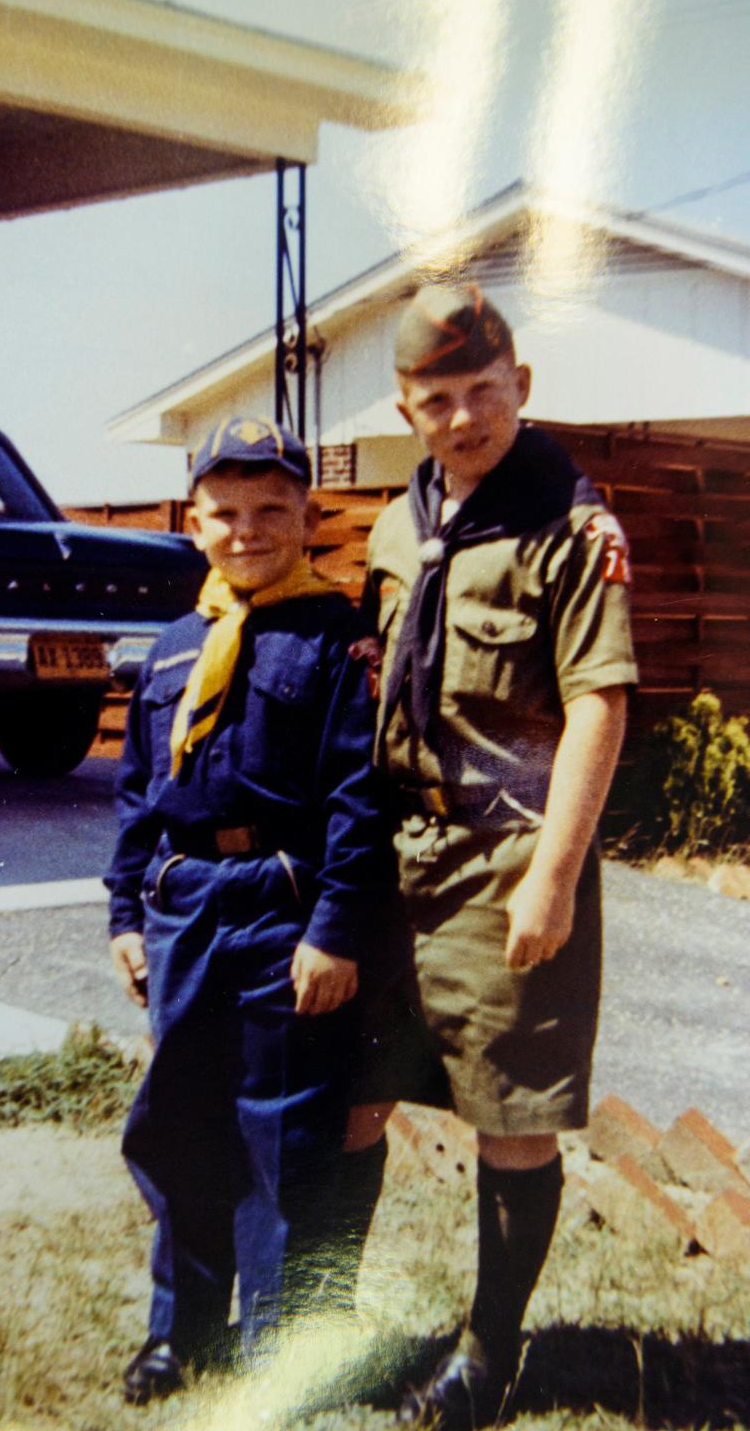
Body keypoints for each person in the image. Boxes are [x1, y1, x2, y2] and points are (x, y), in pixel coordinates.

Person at [364, 285, 638, 1427]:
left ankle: (490, 1352)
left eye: (486, 390)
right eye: (440, 398)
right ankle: (319, 1322)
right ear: (407, 407)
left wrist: (556, 875)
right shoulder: (395, 521)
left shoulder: (571, 528)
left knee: (510, 1117)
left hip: (504, 859)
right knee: (356, 1091)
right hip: (396, 857)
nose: (467, 415)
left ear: (522, 386)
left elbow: (599, 707)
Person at [107, 415, 406, 1405]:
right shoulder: (170, 648)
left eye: (271, 510)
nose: (248, 531)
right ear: (192, 521)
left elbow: (360, 798)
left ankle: (274, 1346)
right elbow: (137, 797)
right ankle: (178, 1330)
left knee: (283, 1132)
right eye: (225, 513)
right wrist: (123, 913)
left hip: (283, 905)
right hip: (186, 906)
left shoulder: (333, 638)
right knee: (182, 1121)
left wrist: (333, 931)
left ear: (308, 517)